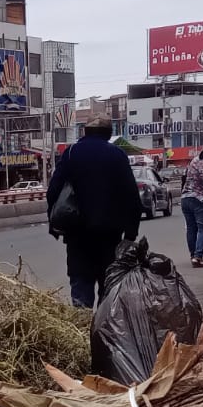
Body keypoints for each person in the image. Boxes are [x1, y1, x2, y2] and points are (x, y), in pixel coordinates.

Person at [47, 116, 142, 307]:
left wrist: (54, 223)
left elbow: (53, 191)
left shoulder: (71, 153)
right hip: (110, 235)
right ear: (108, 133)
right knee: (108, 285)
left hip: (77, 234)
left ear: (85, 132)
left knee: (80, 281)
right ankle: (102, 329)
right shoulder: (117, 154)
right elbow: (132, 195)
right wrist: (130, 233)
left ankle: (81, 329)